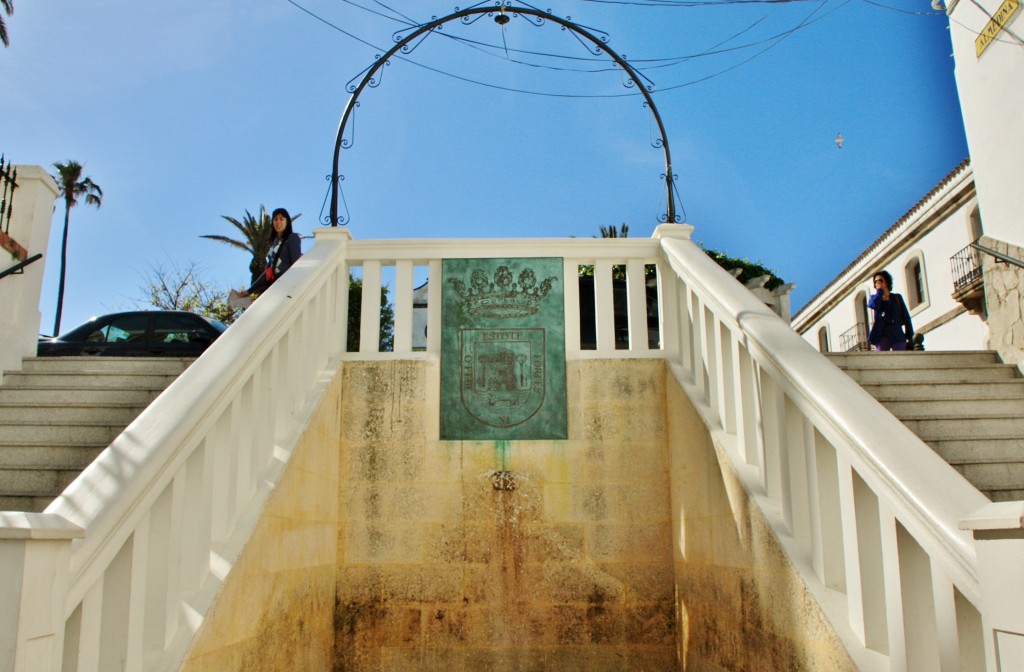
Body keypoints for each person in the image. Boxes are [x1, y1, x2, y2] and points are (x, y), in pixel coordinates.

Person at [239, 208, 301, 298]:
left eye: (281, 219)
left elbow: (296, 264)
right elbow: (268, 272)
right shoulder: (273, 244)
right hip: (273, 287)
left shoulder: (292, 238)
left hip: (286, 287)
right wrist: (249, 291)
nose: (278, 222)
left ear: (287, 221)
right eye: (275, 219)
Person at [867, 270, 913, 351]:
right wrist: (879, 292)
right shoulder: (874, 298)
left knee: (900, 359)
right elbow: (874, 305)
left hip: (897, 334)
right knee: (882, 361)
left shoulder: (897, 298)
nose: (878, 283)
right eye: (875, 281)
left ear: (886, 282)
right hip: (881, 335)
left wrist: (909, 335)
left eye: (880, 280)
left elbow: (906, 317)